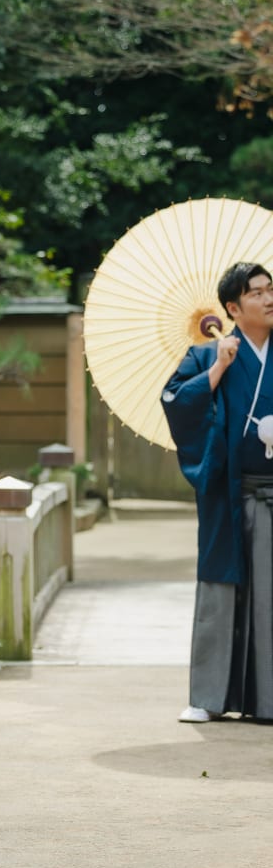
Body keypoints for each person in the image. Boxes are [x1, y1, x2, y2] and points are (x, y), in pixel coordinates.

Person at [161, 261, 273, 723]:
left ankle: (268, 701)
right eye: (256, 293)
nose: (269, 299)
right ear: (233, 307)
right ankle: (207, 698)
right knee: (219, 587)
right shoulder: (207, 354)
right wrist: (219, 367)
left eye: (270, 289)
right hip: (231, 493)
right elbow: (175, 401)